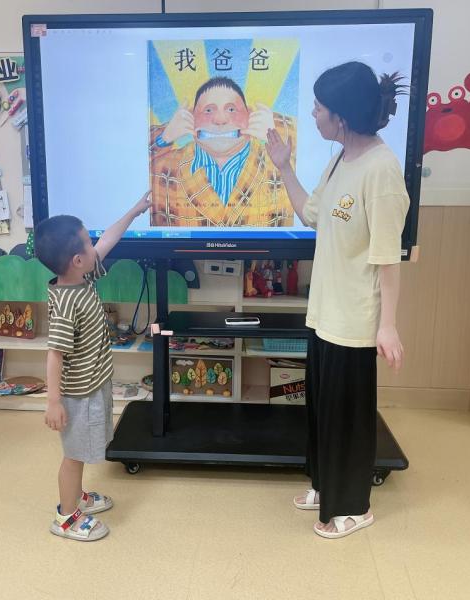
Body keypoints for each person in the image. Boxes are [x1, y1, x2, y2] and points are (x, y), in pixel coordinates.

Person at [265, 62, 409, 539]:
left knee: (348, 419)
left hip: (355, 319)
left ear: (341, 117)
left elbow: (388, 258)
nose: (313, 114)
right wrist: (284, 166)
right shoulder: (341, 158)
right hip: (325, 313)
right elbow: (311, 214)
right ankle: (325, 484)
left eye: (319, 108)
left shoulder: (381, 170)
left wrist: (388, 325)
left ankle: (353, 506)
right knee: (323, 410)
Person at [34, 191, 151, 542]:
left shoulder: (82, 278)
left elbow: (108, 240)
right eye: (88, 242)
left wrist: (133, 211)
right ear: (76, 260)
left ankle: (79, 496)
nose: (94, 245)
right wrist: (53, 402)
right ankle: (66, 516)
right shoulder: (66, 303)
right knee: (74, 455)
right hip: (78, 395)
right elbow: (55, 354)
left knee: (82, 450)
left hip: (94, 384)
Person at [149, 76, 295, 227]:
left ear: (250, 115)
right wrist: (163, 137)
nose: (220, 120)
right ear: (190, 117)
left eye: (231, 109)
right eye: (208, 110)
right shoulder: (162, 166)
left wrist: (276, 130)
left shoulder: (282, 163)